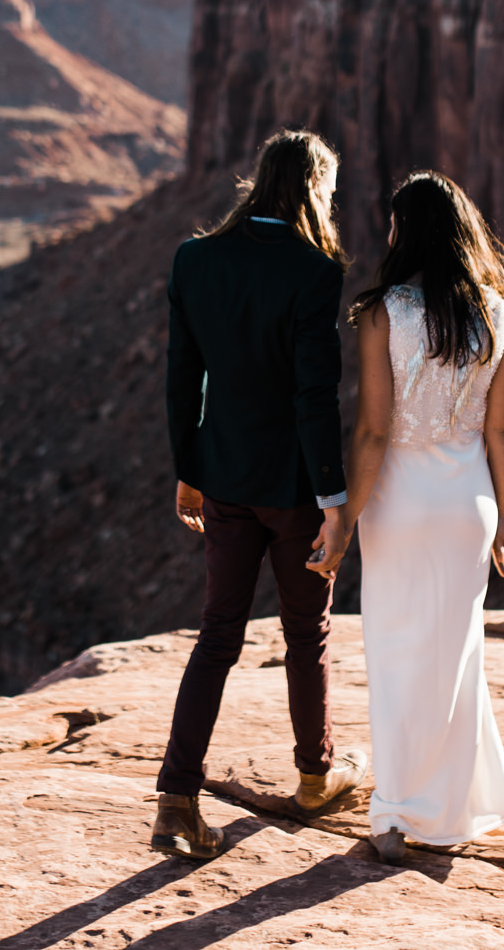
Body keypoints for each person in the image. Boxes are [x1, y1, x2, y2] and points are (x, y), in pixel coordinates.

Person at [151, 129, 370, 860]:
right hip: (293, 487)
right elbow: (315, 395)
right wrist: (335, 502)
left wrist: (189, 467)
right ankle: (315, 776)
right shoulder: (315, 270)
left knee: (218, 633)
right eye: (330, 191)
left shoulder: (195, 258)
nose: (333, 203)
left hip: (225, 477)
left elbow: (183, 376)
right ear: (313, 187)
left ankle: (177, 798)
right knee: (306, 632)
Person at [309, 170, 504, 866]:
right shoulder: (498, 314)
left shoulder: (382, 313)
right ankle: (454, 806)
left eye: (396, 223)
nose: (390, 234)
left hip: (401, 502)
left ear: (409, 231)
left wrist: (343, 518)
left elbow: (373, 431)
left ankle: (398, 811)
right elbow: (502, 432)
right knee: (457, 654)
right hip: (470, 503)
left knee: (398, 652)